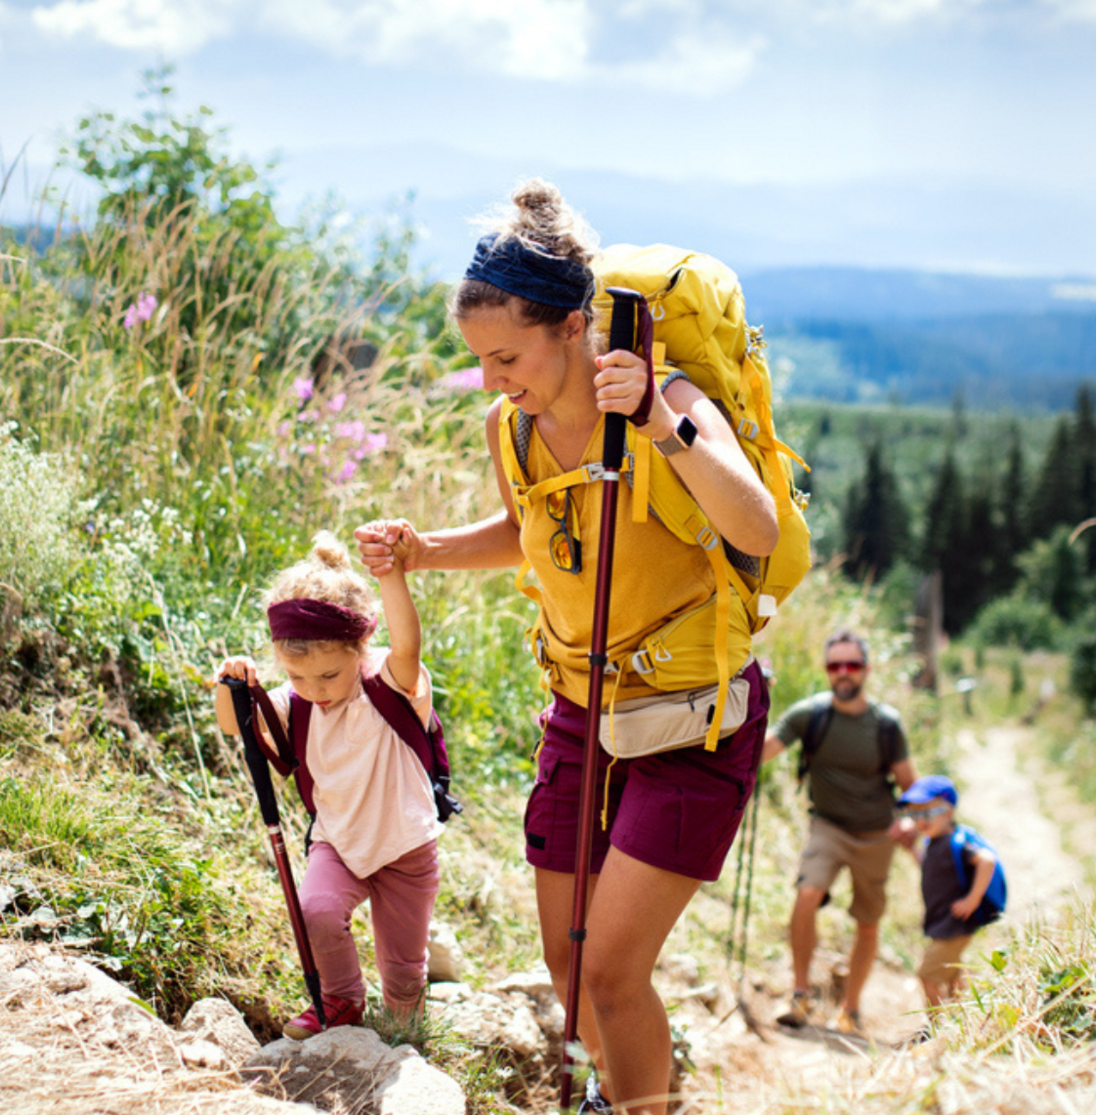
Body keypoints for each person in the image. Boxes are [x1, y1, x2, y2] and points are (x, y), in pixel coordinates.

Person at [355, 179, 778, 1115]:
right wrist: (426, 551)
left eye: (506, 356)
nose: (492, 379)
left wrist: (659, 423)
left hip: (691, 717)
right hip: (582, 711)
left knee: (615, 971)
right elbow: (529, 529)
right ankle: (624, 1094)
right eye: (480, 360)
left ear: (575, 326)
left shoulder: (667, 396)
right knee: (569, 964)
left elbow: (755, 526)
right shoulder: (512, 426)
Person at [214, 530, 440, 1040]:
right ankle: (341, 1001)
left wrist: (391, 575)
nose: (315, 690)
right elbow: (234, 725)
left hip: (405, 846)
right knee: (315, 910)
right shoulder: (296, 703)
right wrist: (230, 684)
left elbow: (408, 644)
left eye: (329, 676)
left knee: (403, 968)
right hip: (338, 839)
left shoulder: (389, 683)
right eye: (298, 677)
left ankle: (406, 1031)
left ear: (361, 648)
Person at [760, 630, 917, 1035]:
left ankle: (851, 1009)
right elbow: (762, 750)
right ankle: (799, 995)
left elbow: (910, 787)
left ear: (866, 669)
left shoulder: (886, 724)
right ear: (826, 670)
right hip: (828, 827)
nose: (843, 673)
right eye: (835, 665)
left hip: (877, 835)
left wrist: (910, 820)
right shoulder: (809, 715)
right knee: (806, 894)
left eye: (852, 664)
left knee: (868, 922)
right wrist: (753, 703)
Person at [899, 775, 999, 1013]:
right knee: (953, 973)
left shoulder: (955, 842)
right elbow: (930, 869)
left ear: (949, 812)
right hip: (944, 921)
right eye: (914, 814)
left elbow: (987, 860)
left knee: (928, 975)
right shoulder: (934, 843)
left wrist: (972, 900)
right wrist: (911, 849)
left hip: (955, 923)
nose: (920, 821)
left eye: (927, 813)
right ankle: (963, 1017)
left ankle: (937, 1025)